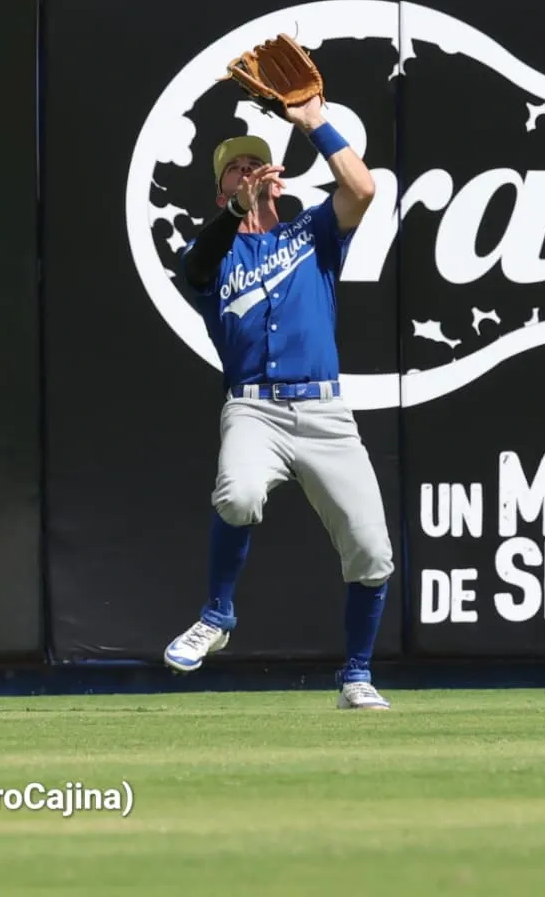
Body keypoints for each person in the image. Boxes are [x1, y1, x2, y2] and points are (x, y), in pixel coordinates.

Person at [163, 93, 394, 709]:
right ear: (221, 193)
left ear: (276, 174)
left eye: (254, 163)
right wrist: (232, 214)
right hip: (254, 409)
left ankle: (357, 676)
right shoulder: (211, 253)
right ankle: (217, 614)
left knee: (372, 551)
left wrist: (315, 123)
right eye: (235, 169)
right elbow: (195, 269)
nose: (248, 171)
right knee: (237, 494)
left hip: (324, 411)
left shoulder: (311, 232)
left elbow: (363, 191)